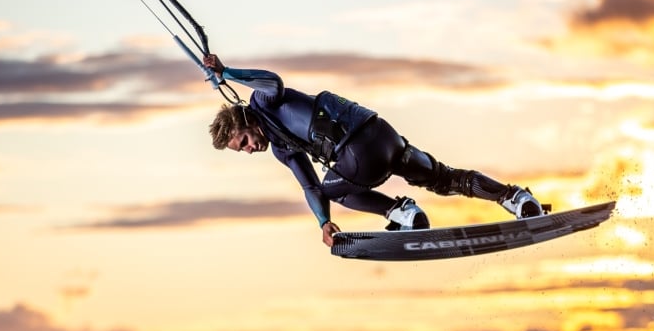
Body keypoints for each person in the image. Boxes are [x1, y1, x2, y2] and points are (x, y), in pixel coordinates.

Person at [204, 54, 543, 248]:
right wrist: (323, 221)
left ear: (245, 121)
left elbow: (271, 80)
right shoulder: (282, 149)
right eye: (242, 150)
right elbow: (308, 186)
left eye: (244, 141)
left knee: (335, 189)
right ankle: (516, 199)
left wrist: (228, 72)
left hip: (359, 152)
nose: (249, 149)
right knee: (443, 177)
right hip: (384, 136)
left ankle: (402, 213)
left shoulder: (263, 102)